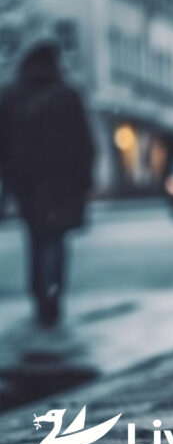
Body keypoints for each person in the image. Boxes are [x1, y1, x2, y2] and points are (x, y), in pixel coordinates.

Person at [0, 41, 94, 326]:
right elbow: (84, 143)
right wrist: (83, 180)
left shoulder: (11, 95)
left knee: (36, 238)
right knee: (56, 238)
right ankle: (52, 295)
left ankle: (40, 294)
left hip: (25, 181)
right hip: (61, 181)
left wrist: (8, 183)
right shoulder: (66, 95)